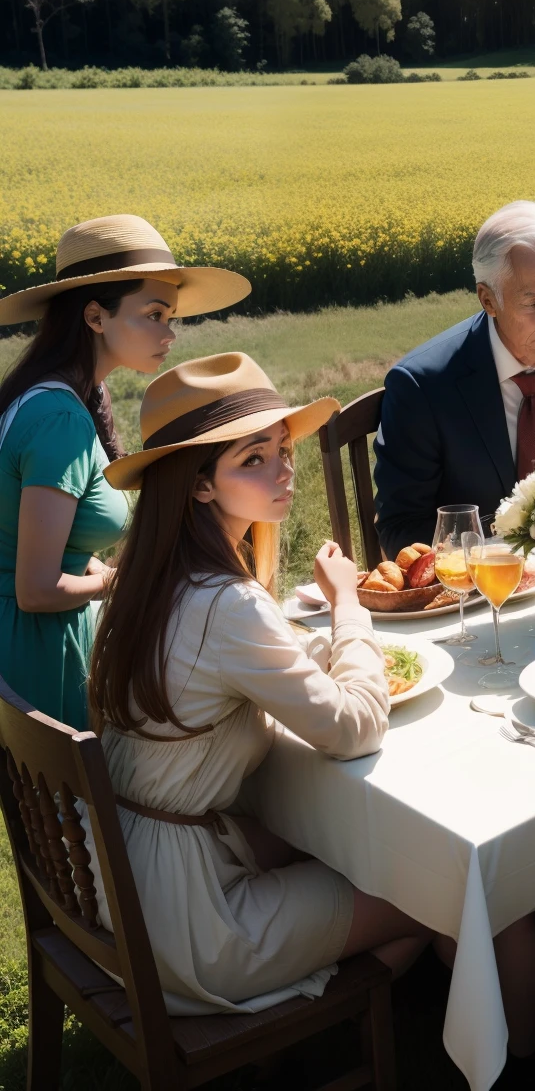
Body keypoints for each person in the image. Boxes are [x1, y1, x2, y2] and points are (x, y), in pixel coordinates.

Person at [88, 351, 432, 1012]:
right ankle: (329, 1030)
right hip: (192, 920)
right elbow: (354, 730)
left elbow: (242, 671)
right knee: (424, 886)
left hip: (127, 871)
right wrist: (347, 605)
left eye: (281, 448)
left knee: (351, 843)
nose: (283, 469)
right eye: (253, 458)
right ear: (198, 485)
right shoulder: (225, 602)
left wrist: (320, 649)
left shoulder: (147, 579)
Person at [0, 214, 249, 728]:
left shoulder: (56, 397)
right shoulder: (59, 420)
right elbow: (37, 588)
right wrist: (129, 579)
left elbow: (47, 544)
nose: (170, 332)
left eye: (171, 316)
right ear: (95, 316)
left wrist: (97, 570)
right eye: (155, 314)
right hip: (40, 656)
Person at [374, 201, 535, 556]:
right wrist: (499, 556)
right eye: (534, 303)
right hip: (475, 594)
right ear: (488, 299)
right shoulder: (422, 387)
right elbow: (400, 529)